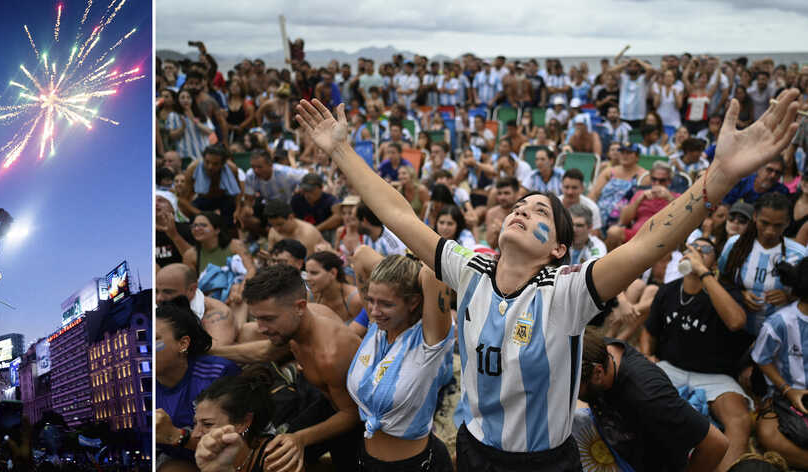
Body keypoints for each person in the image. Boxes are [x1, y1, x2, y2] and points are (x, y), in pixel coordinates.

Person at [291, 88, 800, 469]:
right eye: (518, 205)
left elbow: (649, 242)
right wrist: (340, 150)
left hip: (543, 463)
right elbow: (399, 215)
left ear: (558, 247)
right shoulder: (469, 273)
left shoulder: (569, 292)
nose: (521, 209)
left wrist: (721, 178)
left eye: (538, 211)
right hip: (471, 450)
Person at [214, 265, 364, 471]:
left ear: (300, 307)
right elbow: (263, 352)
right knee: (268, 456)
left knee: (281, 459)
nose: (260, 327)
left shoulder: (330, 354)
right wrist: (210, 352)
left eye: (268, 318)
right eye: (257, 317)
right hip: (329, 402)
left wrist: (299, 439)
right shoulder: (303, 322)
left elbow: (352, 414)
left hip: (356, 422)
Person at [640, 238, 754, 470]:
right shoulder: (668, 291)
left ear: (714, 263)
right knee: (637, 398)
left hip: (715, 376)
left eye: (705, 250)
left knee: (740, 420)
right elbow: (649, 331)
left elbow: (736, 321)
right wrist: (648, 355)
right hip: (671, 368)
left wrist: (703, 272)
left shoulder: (727, 292)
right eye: (693, 248)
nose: (697, 251)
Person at [347, 255, 456, 471]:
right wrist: (398, 273)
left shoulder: (429, 341)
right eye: (371, 300)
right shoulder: (376, 327)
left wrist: (411, 268)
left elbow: (434, 271)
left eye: (386, 304)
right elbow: (361, 256)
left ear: (414, 301)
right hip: (366, 460)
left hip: (416, 465)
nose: (374, 311)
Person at [578, 331, 729, 472]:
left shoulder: (649, 397)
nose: (569, 393)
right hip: (614, 438)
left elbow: (716, 444)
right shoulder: (590, 349)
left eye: (573, 388)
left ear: (598, 373)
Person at [156, 301, 241, 468]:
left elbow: (241, 446)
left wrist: (176, 435)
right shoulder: (141, 386)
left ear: (183, 344)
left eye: (155, 339)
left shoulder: (218, 374)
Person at [719, 193, 807, 335]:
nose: (770, 231)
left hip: (780, 336)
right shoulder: (734, 245)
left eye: (778, 225)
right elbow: (722, 281)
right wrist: (740, 294)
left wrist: (789, 297)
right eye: (764, 223)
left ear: (788, 222)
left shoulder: (800, 254)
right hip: (735, 334)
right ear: (754, 217)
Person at [752, 258, 808, 469]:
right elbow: (761, 359)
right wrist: (788, 390)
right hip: (785, 396)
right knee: (769, 435)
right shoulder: (780, 322)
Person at [191, 369, 277, 472]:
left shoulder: (276, 458)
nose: (194, 434)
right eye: (195, 424)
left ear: (243, 423)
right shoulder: (207, 459)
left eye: (207, 424)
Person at [157, 263, 238, 349]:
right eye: (156, 292)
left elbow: (215, 354)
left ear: (191, 289)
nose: (159, 298)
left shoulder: (217, 314)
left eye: (168, 292)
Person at [183, 212, 256, 302]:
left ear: (217, 229)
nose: (197, 229)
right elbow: (192, 286)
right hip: (210, 299)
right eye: (194, 226)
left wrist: (240, 291)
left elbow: (251, 270)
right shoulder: (190, 255)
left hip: (238, 293)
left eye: (203, 225)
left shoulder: (235, 245)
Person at [605, 161, 679, 248]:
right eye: (654, 179)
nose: (657, 183)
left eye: (662, 180)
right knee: (613, 232)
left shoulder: (675, 197)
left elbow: (682, 216)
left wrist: (669, 198)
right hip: (637, 234)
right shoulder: (641, 194)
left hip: (663, 235)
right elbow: (623, 221)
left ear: (669, 181)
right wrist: (639, 200)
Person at [589, 143, 644, 227]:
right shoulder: (609, 171)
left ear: (637, 157)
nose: (625, 156)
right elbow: (594, 194)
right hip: (599, 216)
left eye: (629, 153)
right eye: (622, 152)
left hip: (624, 219)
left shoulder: (643, 175)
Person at [304, 251, 363, 324]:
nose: (307, 278)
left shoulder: (355, 300)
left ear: (333, 273)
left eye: (314, 273)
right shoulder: (311, 297)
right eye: (307, 272)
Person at [722, 157, 790, 205]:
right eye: (769, 170)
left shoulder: (782, 191)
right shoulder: (740, 183)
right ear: (759, 168)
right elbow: (726, 206)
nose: (773, 176)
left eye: (777, 172)